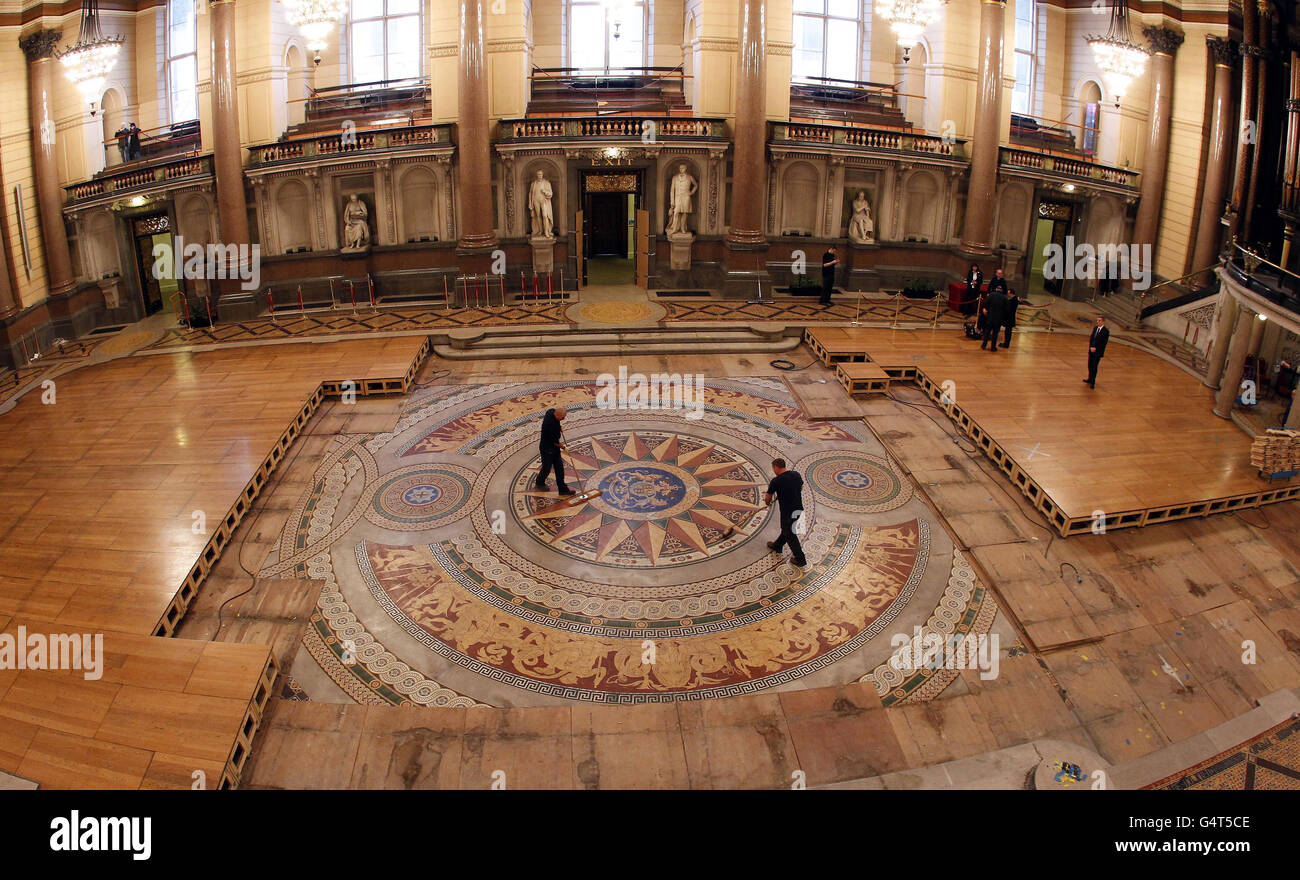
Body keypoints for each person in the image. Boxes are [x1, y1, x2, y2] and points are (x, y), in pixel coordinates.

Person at [764, 458, 806, 567]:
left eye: (773, 468)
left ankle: (800, 559)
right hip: (799, 509)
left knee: (790, 535)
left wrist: (767, 503)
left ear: (776, 467)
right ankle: (777, 545)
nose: (773, 470)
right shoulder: (796, 474)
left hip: (787, 512)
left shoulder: (776, 481)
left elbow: (768, 497)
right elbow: (800, 486)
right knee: (787, 530)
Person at [535, 406, 574, 495]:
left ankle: (563, 489)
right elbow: (555, 442)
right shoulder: (552, 428)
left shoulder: (550, 412)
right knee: (546, 468)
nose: (564, 418)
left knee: (559, 468)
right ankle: (539, 482)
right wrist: (564, 447)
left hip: (552, 447)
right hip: (547, 449)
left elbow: (556, 419)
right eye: (562, 417)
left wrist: (559, 425)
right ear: (558, 416)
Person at [981, 284, 1008, 352]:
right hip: (998, 319)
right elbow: (1006, 309)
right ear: (1001, 290)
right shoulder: (1004, 298)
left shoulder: (991, 295)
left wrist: (986, 310)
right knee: (995, 334)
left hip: (990, 317)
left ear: (996, 289)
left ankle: (984, 345)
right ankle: (993, 347)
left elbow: (986, 303)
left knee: (987, 332)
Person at [1084, 316, 1109, 388]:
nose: (1098, 322)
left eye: (1099, 320)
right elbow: (1092, 338)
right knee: (1090, 365)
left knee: (1095, 367)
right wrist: (1091, 347)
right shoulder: (1095, 328)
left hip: (1098, 352)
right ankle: (1089, 378)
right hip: (1091, 350)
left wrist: (1095, 348)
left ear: (1103, 322)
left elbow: (1104, 343)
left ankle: (1093, 382)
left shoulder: (1106, 331)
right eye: (1097, 320)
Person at [528, 170, 554, 238]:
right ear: (536, 175)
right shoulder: (533, 183)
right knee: (538, 216)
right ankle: (540, 230)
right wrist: (530, 202)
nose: (539, 176)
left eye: (540, 174)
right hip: (535, 201)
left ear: (543, 175)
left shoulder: (546, 183)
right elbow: (530, 193)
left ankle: (546, 231)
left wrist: (545, 191)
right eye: (538, 174)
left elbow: (551, 193)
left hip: (544, 201)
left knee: (545, 216)